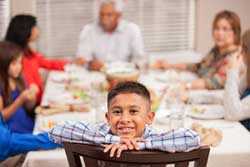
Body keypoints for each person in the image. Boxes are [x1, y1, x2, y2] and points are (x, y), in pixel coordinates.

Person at [49, 81, 200, 158]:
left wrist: (140, 145)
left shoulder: (152, 138)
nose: (124, 119)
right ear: (108, 117)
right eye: (117, 111)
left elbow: (192, 138)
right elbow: (56, 131)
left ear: (149, 117)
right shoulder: (102, 133)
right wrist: (113, 140)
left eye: (133, 111)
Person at [152, 10, 245, 90]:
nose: (219, 33)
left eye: (225, 29)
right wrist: (169, 65)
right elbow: (199, 67)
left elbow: (213, 83)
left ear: (235, 32)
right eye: (217, 28)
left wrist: (186, 85)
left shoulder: (236, 57)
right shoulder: (218, 50)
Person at [5, 14, 72, 103]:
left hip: (40, 99)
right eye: (34, 27)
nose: (37, 30)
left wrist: (70, 63)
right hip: (33, 104)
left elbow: (46, 63)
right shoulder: (17, 58)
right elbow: (29, 88)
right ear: (25, 31)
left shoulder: (27, 50)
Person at [76, 0, 145, 71]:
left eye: (109, 15)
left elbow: (140, 59)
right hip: (97, 76)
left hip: (124, 76)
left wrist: (132, 66)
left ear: (119, 15)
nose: (104, 19)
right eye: (102, 14)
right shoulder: (88, 30)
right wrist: (89, 63)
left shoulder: (132, 30)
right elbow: (81, 59)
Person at [0, 41, 36, 133]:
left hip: (26, 124)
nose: (19, 67)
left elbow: (29, 107)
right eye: (14, 64)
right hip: (12, 132)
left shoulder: (18, 78)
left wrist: (31, 96)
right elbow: (1, 117)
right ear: (3, 63)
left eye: (20, 63)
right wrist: (20, 100)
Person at [224, 29, 250, 130]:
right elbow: (231, 96)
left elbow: (232, 114)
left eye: (243, 50)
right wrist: (193, 97)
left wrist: (232, 71)